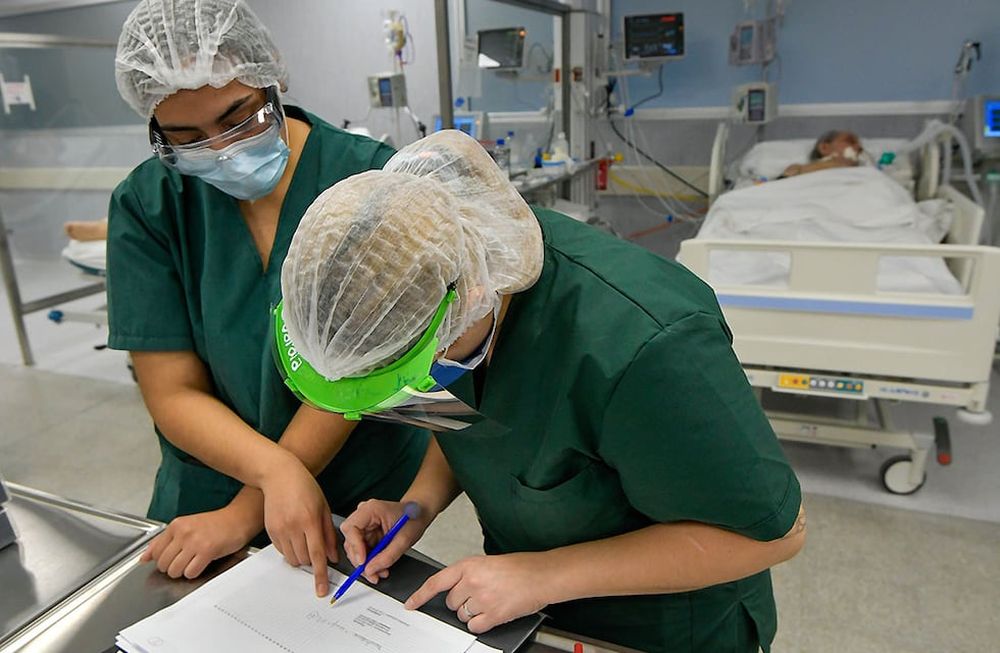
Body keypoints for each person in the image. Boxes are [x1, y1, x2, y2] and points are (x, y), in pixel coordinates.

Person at [275, 130, 807, 652]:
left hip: (664, 626)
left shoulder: (648, 345)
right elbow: (473, 418)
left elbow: (775, 534)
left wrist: (542, 576)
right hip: (527, 606)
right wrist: (415, 506)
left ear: (472, 296)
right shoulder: (445, 303)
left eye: (410, 378)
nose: (414, 397)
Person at [106, 0, 428, 596]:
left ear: (271, 77)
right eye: (186, 139)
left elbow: (357, 372)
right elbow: (171, 388)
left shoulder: (372, 183)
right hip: (209, 486)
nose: (222, 150)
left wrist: (247, 510)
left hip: (354, 492)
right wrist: (271, 472)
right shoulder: (149, 203)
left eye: (238, 118)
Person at [781, 129, 864, 178]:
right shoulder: (798, 169)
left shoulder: (864, 172)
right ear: (824, 148)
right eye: (850, 141)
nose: (859, 147)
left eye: (859, 144)